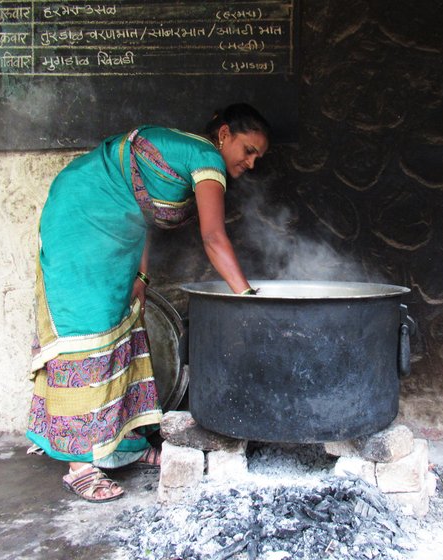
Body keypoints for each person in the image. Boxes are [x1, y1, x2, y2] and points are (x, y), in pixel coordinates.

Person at [26, 103, 270, 502]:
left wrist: (141, 275)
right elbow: (213, 237)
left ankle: (120, 444)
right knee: (89, 327)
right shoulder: (207, 157)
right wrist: (248, 297)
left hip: (110, 226)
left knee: (125, 318)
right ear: (224, 134)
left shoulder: (191, 156)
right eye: (248, 149)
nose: (252, 162)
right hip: (81, 216)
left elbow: (139, 210)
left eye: (258, 156)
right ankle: (79, 466)